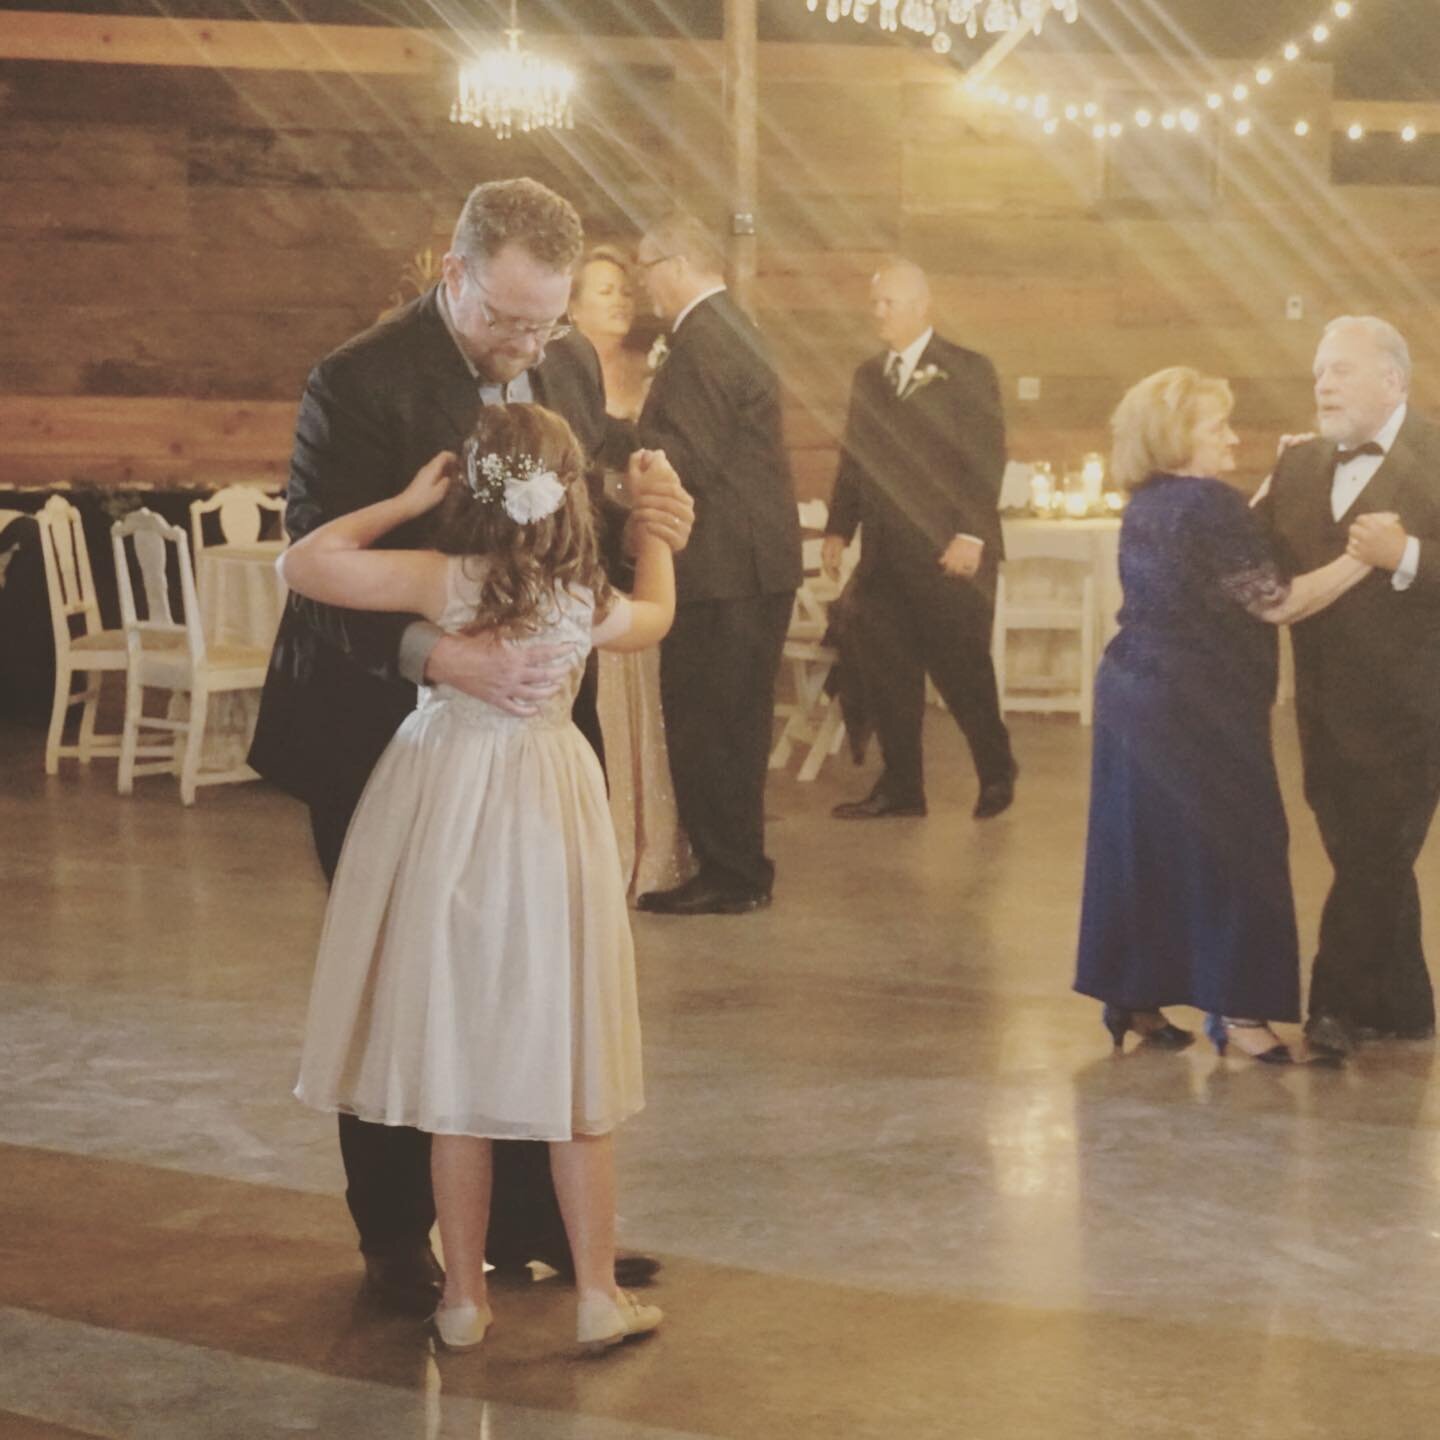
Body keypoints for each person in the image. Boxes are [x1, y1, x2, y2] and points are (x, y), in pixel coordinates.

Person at [248, 177, 692, 1317]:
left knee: (535, 976)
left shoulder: (575, 363)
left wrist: (652, 503)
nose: (527, 345)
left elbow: (586, 499)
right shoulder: (357, 381)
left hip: (534, 740)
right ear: (453, 276)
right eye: (506, 320)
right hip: (382, 728)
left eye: (545, 323)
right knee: (412, 975)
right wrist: (439, 658)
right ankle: (403, 1236)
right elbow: (313, 570)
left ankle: (539, 1235)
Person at [287, 404, 672, 1352]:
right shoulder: (583, 597)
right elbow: (656, 618)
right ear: (569, 493)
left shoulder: (445, 578)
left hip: (448, 811)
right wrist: (654, 538)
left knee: (457, 1054)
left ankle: (463, 1301)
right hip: (548, 815)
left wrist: (403, 500)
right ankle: (593, 1296)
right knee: (569, 1042)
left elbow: (305, 562)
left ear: (472, 486)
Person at [1074, 367, 1380, 1062]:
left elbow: (1219, 547)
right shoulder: (1210, 505)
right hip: (1195, 702)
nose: (1234, 437)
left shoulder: (1150, 500)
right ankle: (1242, 1016)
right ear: (1180, 436)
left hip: (1131, 692)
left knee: (1141, 849)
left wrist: (1271, 487)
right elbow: (1278, 600)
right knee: (1241, 848)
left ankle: (1135, 998)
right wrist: (1366, 558)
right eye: (1218, 426)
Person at [1256, 316, 1440, 1058]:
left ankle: (1331, 1006)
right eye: (1317, 375)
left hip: (1418, 707)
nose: (1322, 385)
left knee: (1370, 854)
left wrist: (1410, 554)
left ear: (1392, 381)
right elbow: (1250, 554)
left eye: (1340, 371)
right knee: (1365, 854)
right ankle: (1404, 1003)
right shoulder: (1298, 467)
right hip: (1323, 711)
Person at [631, 211, 801, 916]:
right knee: (733, 721)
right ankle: (737, 868)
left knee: (712, 722)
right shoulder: (728, 327)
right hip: (750, 561)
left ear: (674, 265)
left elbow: (686, 457)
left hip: (726, 564)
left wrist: (618, 450)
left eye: (646, 274)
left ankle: (731, 874)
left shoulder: (703, 339)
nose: (645, 292)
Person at [822, 258, 1018, 822]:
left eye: (889, 303)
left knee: (963, 669)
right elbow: (855, 456)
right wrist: (840, 525)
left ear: (921, 307)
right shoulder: (869, 376)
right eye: (875, 303)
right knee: (889, 673)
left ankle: (997, 770)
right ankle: (902, 787)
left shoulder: (967, 369)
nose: (877, 313)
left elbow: (986, 456)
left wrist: (971, 535)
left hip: (951, 552)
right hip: (886, 552)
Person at [570, 244, 695, 900]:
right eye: (604, 291)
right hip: (590, 555)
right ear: (570, 305)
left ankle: (652, 845)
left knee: (645, 701)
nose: (620, 300)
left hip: (644, 555)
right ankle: (607, 847)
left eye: (624, 289)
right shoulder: (559, 377)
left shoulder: (655, 371)